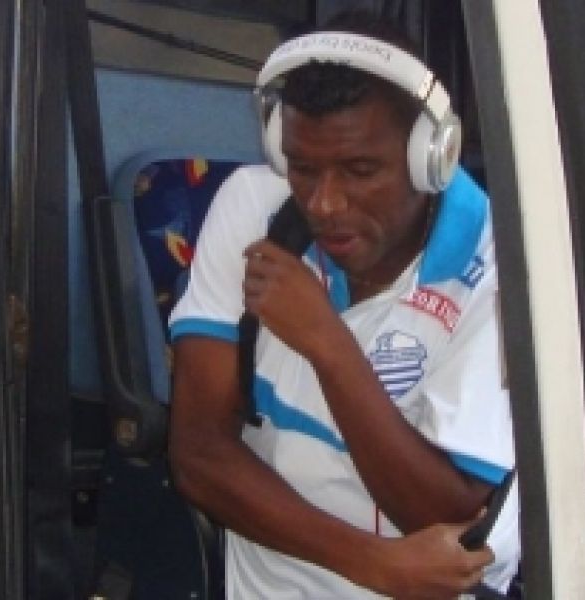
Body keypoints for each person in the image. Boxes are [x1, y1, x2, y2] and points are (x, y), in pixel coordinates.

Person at [168, 11, 519, 599]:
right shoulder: (255, 207)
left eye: (360, 170)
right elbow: (198, 455)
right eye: (303, 169)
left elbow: (445, 518)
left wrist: (328, 345)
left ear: (431, 156)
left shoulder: (502, 271)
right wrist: (373, 563)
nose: (324, 203)